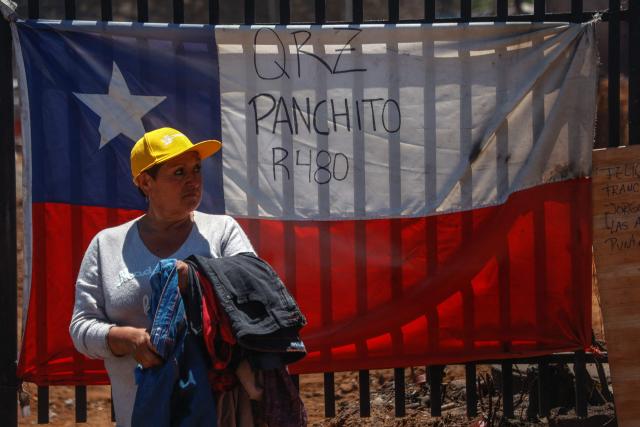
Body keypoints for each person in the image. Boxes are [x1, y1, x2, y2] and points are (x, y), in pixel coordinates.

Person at [69, 127, 256, 427]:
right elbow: (81, 327)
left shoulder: (222, 232)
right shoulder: (108, 245)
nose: (193, 180)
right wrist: (127, 340)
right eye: (178, 172)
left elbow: (254, 293)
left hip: (219, 411)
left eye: (196, 169)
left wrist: (196, 279)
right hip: (140, 413)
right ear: (146, 182)